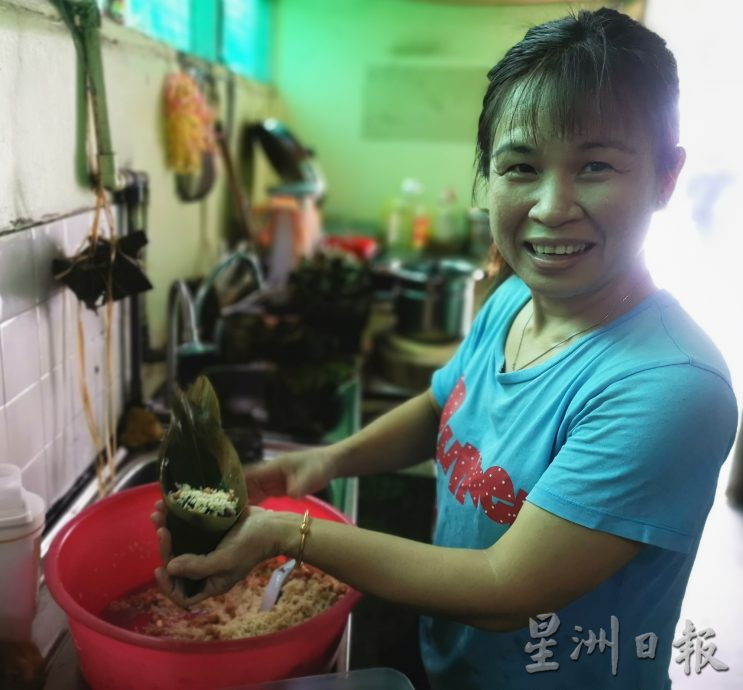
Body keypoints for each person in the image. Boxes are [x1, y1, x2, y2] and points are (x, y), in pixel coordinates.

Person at [153, 8, 739, 689]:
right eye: (519, 165)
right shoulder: (515, 300)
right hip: (454, 666)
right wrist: (323, 461)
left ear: (665, 177)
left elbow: (503, 588)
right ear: (487, 177)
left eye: (595, 165)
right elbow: (443, 406)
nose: (551, 205)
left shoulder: (668, 386)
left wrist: (290, 534)